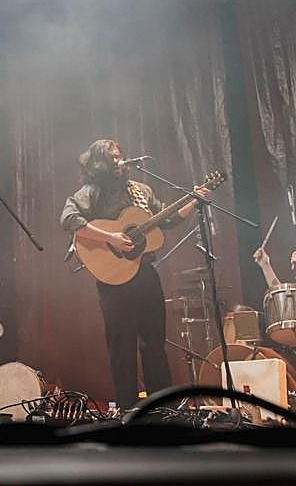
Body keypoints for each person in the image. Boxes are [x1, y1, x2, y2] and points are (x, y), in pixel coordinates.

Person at [61, 139, 205, 407]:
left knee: (154, 344)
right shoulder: (90, 192)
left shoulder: (141, 190)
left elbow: (167, 218)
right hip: (113, 279)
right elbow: (70, 220)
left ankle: (163, 408)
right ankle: (128, 409)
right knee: (122, 348)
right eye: (112, 157)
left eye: (120, 156)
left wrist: (193, 201)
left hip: (145, 274)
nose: (118, 161)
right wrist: (111, 238)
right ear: (99, 163)